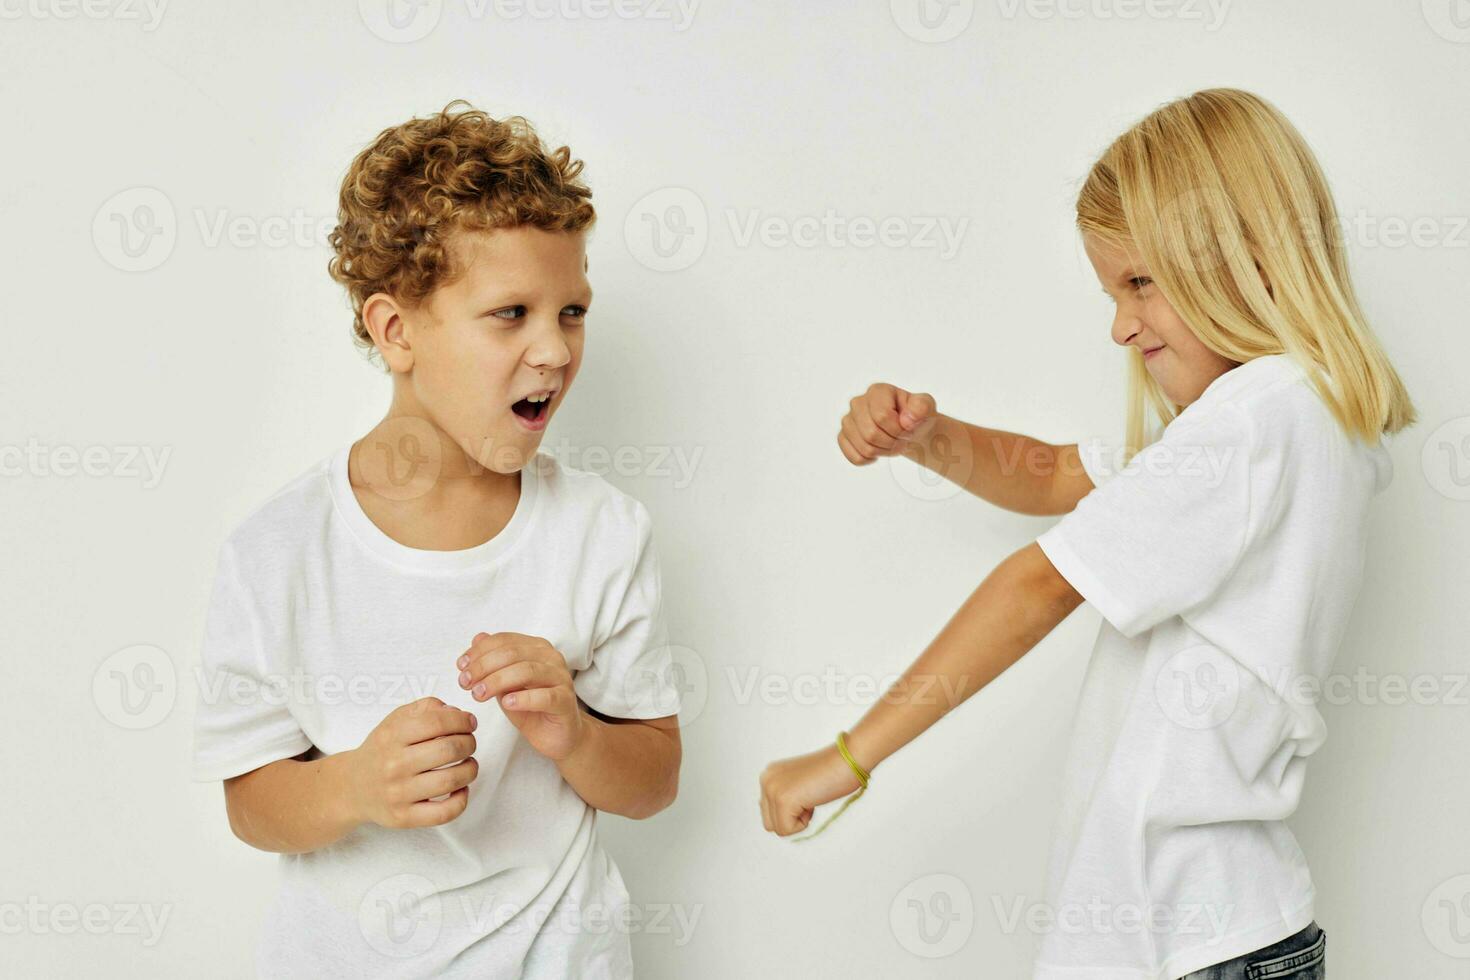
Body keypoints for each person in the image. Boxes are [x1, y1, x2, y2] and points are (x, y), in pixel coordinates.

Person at [759, 88, 1414, 980]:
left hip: (1190, 941)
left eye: (1140, 282)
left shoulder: (1259, 422)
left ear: (1246, 255)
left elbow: (1042, 582)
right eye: (1114, 291)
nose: (1121, 325)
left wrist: (846, 758)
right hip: (1216, 931)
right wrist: (930, 438)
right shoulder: (1285, 419)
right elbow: (1058, 473)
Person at [190, 100, 682, 978]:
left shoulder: (600, 533)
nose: (556, 350)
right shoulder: (278, 551)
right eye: (511, 313)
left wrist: (575, 731)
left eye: (572, 312)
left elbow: (654, 781)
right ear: (396, 330)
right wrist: (351, 785)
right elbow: (251, 801)